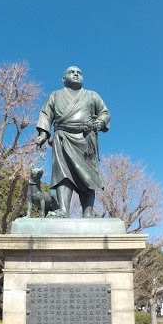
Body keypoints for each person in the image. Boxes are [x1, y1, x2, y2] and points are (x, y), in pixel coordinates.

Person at [35, 66, 110, 218]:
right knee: (62, 174)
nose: (76, 74)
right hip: (62, 138)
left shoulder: (92, 95)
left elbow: (104, 113)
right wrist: (43, 134)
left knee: (89, 176)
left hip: (86, 138)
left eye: (79, 72)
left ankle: (87, 213)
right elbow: (45, 114)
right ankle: (63, 210)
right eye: (71, 72)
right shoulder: (55, 96)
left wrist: (100, 123)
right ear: (64, 79)